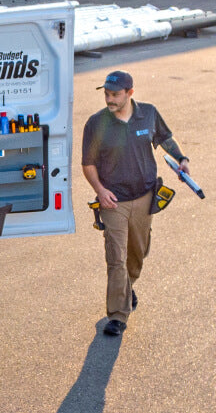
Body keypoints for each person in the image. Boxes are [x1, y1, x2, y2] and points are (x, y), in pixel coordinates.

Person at [81, 70, 189, 336]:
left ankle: (128, 286)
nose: (109, 99)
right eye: (106, 94)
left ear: (130, 93)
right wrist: (100, 190)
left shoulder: (148, 114)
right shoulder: (96, 123)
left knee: (137, 253)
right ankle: (118, 315)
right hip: (113, 202)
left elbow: (164, 138)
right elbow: (88, 164)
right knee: (116, 258)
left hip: (144, 197)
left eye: (115, 94)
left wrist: (181, 159)